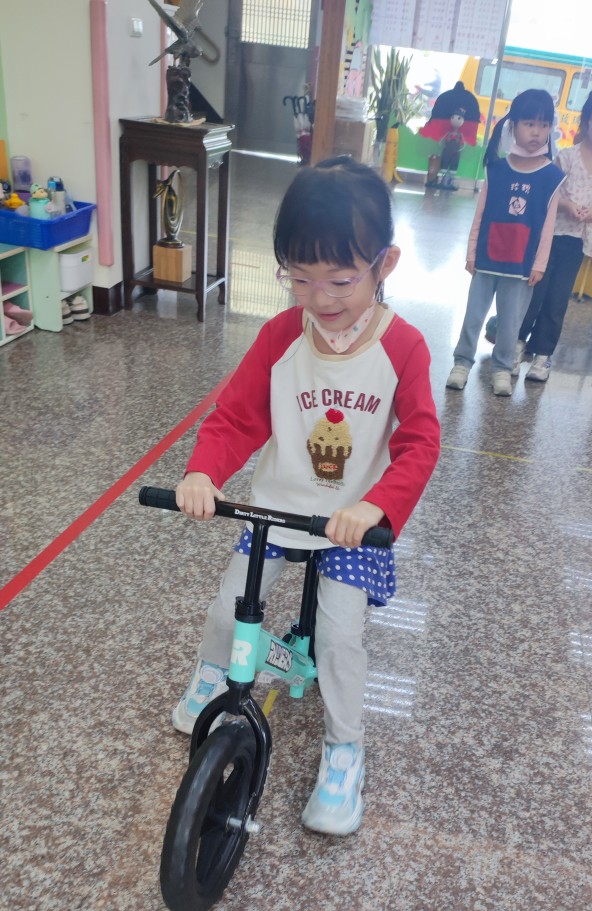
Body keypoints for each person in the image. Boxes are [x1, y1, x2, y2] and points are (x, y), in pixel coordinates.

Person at [172, 156, 441, 837]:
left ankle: (345, 748)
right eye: (299, 277)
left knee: (340, 638)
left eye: (341, 280)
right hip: (275, 509)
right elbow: (237, 417)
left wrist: (377, 506)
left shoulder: (403, 347)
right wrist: (204, 472)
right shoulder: (280, 337)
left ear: (385, 264)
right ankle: (213, 674)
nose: (319, 298)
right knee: (229, 606)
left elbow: (420, 441)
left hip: (351, 523)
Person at [446, 89, 565, 397]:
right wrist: (472, 252)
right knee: (473, 316)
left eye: (543, 124)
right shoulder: (496, 169)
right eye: (529, 123)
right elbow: (480, 215)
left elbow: (548, 226)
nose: (537, 131)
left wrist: (539, 264)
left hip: (522, 265)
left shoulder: (552, 176)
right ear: (513, 126)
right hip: (487, 258)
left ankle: (501, 368)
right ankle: (462, 363)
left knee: (511, 323)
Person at [518, 85, 592, 382]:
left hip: (578, 241)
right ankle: (516, 344)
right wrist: (567, 205)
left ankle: (543, 355)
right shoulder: (566, 157)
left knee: (557, 299)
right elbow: (548, 195)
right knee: (533, 292)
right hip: (549, 235)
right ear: (587, 118)